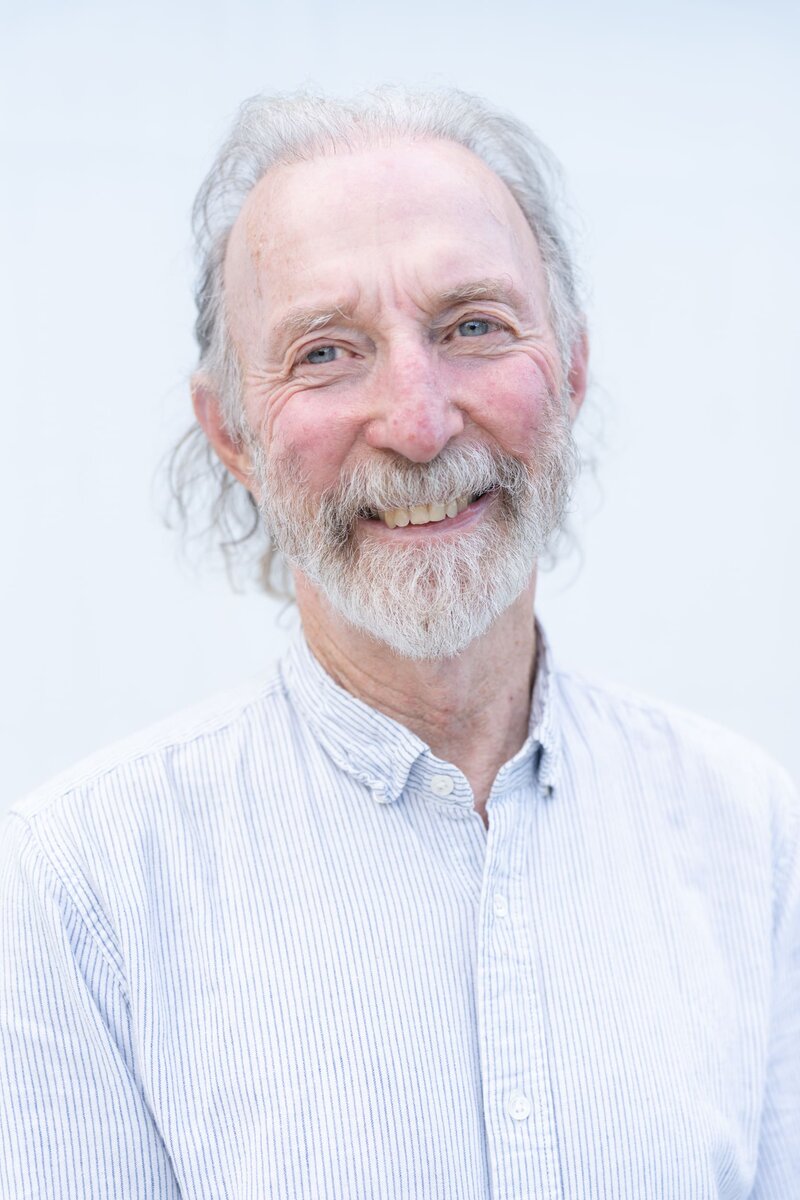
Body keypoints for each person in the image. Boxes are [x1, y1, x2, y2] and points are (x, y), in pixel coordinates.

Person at [1, 87, 797, 1200]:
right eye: (326, 352)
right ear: (231, 433)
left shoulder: (749, 833)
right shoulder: (80, 890)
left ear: (570, 371)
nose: (419, 424)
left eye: (473, 327)